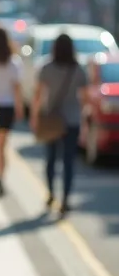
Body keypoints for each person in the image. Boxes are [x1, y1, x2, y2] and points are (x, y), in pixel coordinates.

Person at [30, 33, 87, 215]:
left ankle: (51, 194)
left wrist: (34, 116)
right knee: (69, 161)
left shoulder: (46, 67)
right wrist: (84, 120)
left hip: (51, 119)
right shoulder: (78, 69)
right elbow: (84, 98)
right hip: (72, 120)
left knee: (51, 159)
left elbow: (38, 95)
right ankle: (66, 199)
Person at [0, 26, 24, 196]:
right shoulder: (14, 62)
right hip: (7, 107)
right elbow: (16, 89)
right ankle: (0, 177)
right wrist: (20, 109)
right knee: (2, 147)